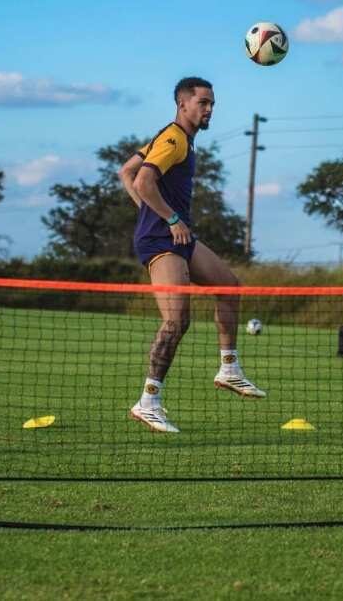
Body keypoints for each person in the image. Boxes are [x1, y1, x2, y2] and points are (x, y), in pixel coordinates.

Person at [117, 76, 265, 433]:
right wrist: (167, 218)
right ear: (182, 104)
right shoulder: (173, 139)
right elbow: (142, 181)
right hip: (161, 240)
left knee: (228, 286)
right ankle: (148, 402)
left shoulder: (174, 137)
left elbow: (126, 171)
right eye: (203, 103)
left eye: (212, 103)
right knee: (177, 321)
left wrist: (150, 211)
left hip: (177, 236)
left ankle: (229, 369)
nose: (209, 109)